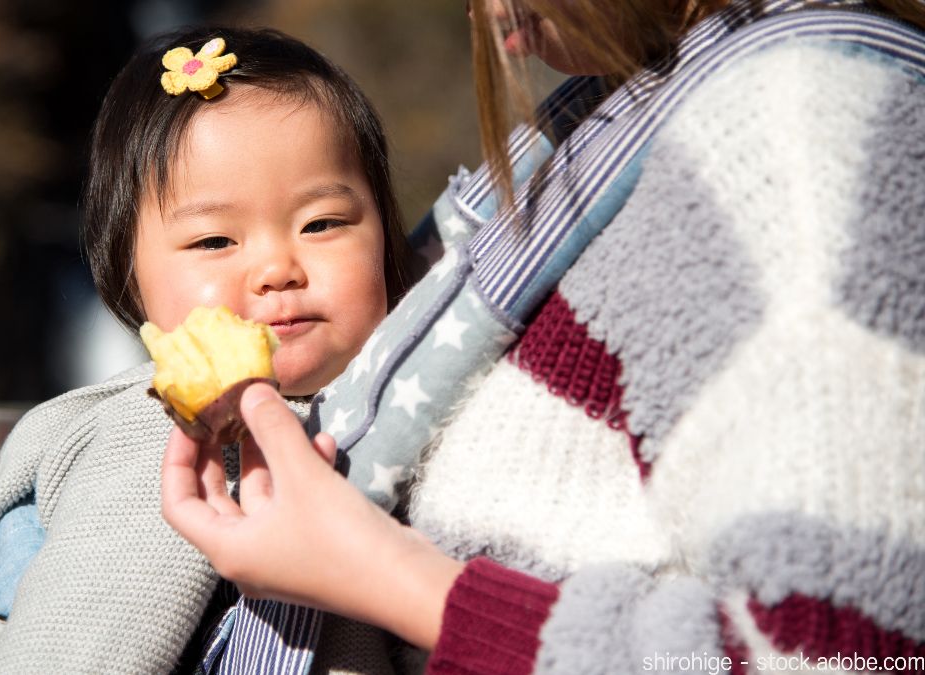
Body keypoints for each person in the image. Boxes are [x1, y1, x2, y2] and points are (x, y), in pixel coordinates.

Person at [162, 1, 925, 673]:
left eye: (324, 222)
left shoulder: (795, 131)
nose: (478, 15)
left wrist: (381, 572)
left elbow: (843, 656)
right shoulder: (628, 111)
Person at [0, 26, 417, 673]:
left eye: (323, 224)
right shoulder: (142, 441)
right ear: (128, 276)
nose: (278, 268)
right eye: (214, 241)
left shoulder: (430, 388)